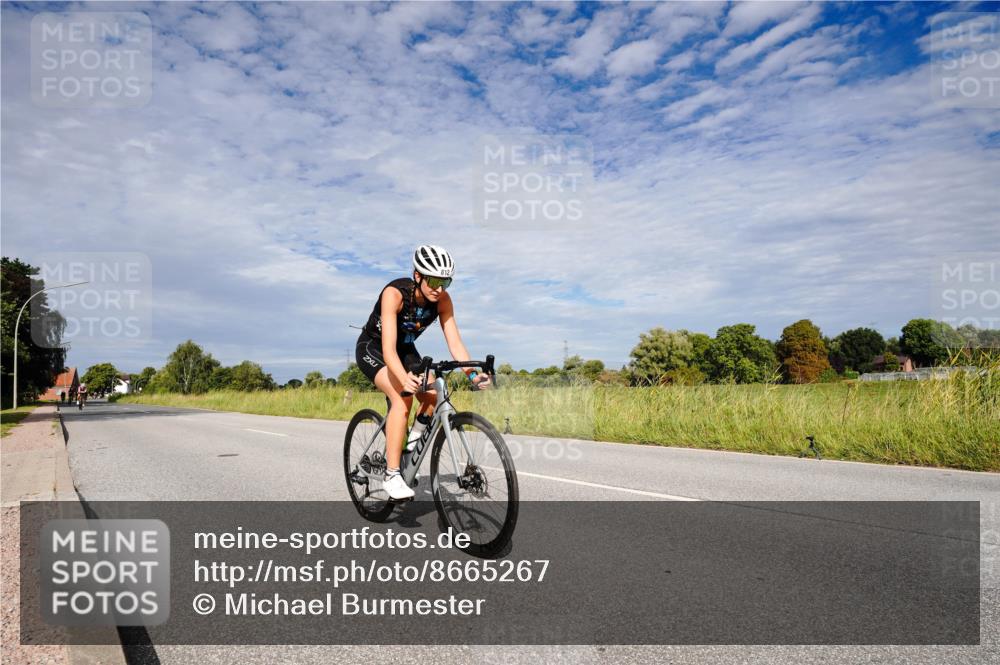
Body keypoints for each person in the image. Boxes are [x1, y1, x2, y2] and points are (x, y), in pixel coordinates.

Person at [355, 245, 491, 501]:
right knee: (402, 397)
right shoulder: (394, 294)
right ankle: (392, 474)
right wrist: (402, 377)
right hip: (373, 347)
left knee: (431, 396)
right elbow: (388, 349)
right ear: (418, 275)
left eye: (446, 281)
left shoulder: (443, 300)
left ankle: (408, 447)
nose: (439, 288)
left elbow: (455, 343)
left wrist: (473, 374)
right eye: (434, 280)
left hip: (405, 349)